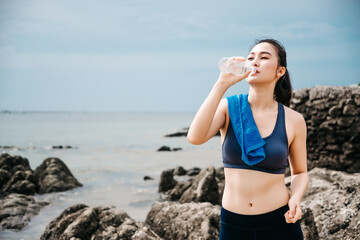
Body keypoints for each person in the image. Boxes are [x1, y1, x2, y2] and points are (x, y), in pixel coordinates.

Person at [187, 38, 309, 240]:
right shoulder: (228, 107)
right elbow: (195, 137)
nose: (255, 61)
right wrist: (221, 84)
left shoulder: (294, 120)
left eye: (264, 57)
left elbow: (300, 172)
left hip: (280, 222)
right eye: (251, 57)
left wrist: (296, 198)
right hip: (234, 225)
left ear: (280, 71)